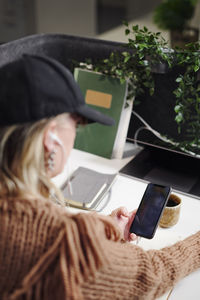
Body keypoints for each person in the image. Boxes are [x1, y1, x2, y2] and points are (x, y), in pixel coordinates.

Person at [0, 54, 199, 300]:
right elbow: (154, 273)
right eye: (77, 124)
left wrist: (102, 229)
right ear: (50, 138)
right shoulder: (63, 244)